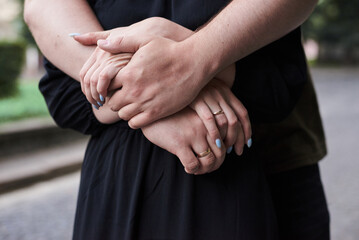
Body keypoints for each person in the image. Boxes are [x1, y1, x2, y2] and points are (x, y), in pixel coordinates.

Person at [24, 0, 329, 239]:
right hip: (121, 168)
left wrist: (191, 60)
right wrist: (147, 88)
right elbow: (42, 6)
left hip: (263, 150)